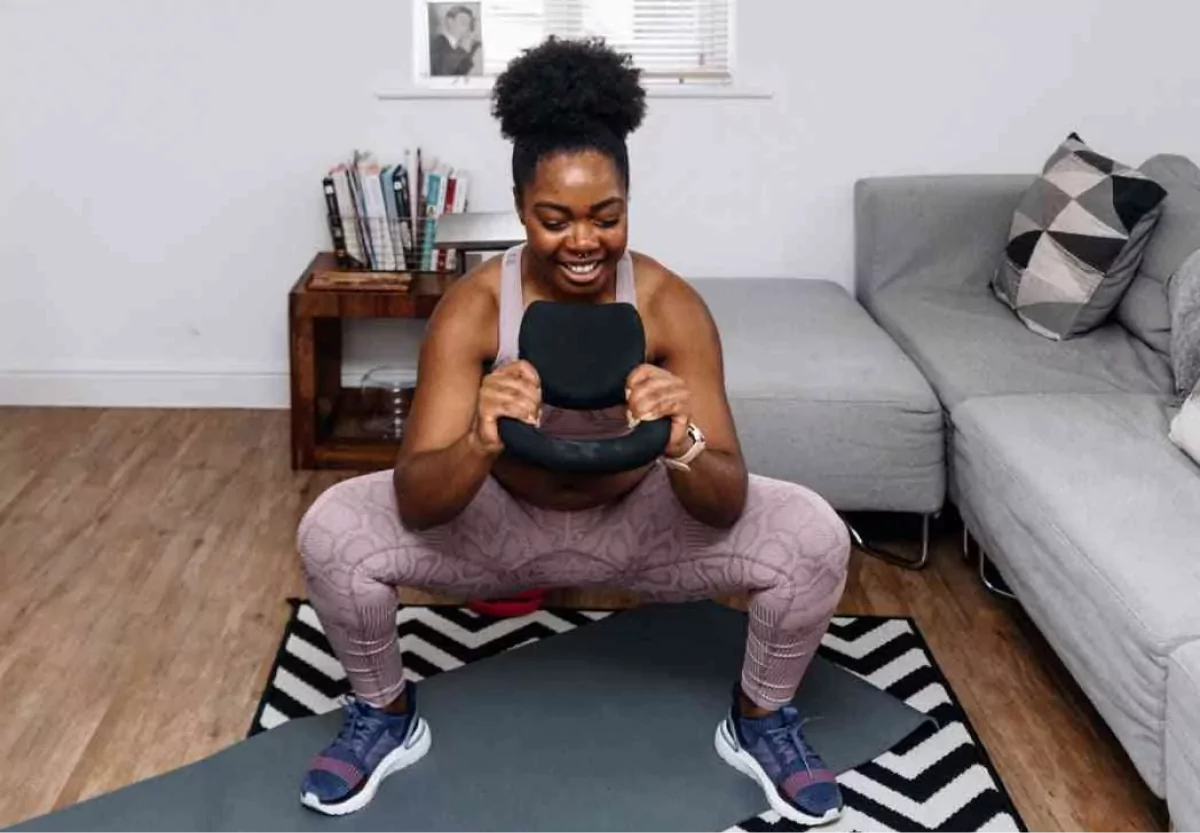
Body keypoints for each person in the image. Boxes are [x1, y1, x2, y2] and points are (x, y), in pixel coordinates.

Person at [296, 36, 851, 826]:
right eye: (555, 219)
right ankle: (386, 712)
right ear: (523, 209)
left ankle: (760, 721)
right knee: (331, 529)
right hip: (499, 529)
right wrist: (479, 438)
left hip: (639, 528)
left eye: (606, 216)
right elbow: (417, 500)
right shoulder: (476, 307)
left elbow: (725, 501)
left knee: (815, 535)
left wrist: (681, 437)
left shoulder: (670, 304)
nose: (583, 241)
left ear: (629, 205)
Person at [429, 4, 480, 76]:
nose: (467, 29)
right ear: (450, 22)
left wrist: (469, 51)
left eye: (469, 24)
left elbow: (459, 74)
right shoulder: (437, 44)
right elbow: (444, 74)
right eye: (463, 23)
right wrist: (463, 49)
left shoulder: (458, 47)